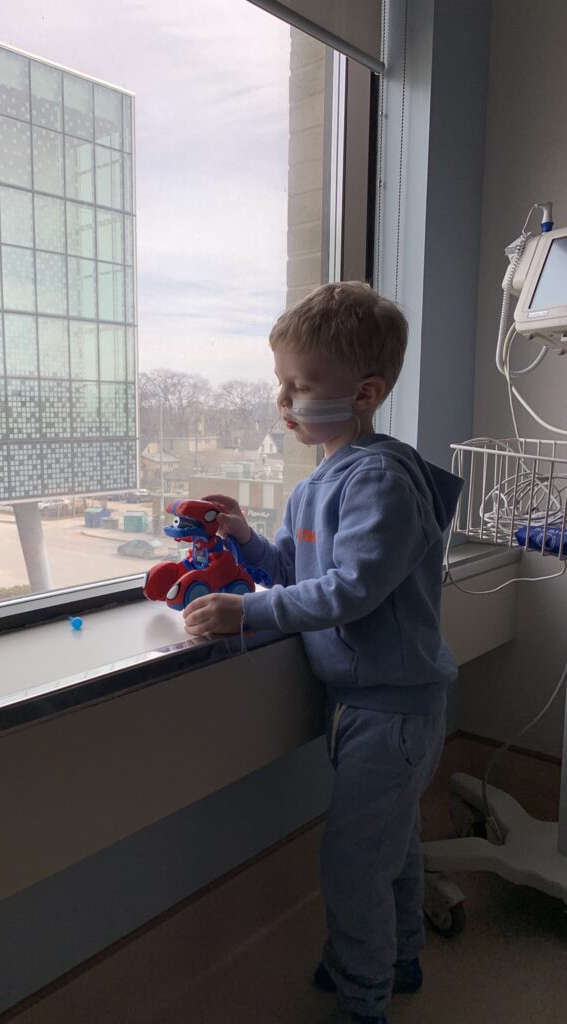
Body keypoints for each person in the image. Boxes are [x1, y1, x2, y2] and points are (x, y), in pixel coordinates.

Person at [182, 282, 463, 1024]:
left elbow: (351, 591)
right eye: (280, 383)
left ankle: (361, 995)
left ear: (364, 392)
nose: (283, 400)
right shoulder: (324, 480)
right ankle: (398, 960)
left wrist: (247, 610)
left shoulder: (378, 480)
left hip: (392, 713)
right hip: (364, 706)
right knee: (391, 851)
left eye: (298, 386)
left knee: (352, 866)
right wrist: (246, 542)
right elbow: (301, 571)